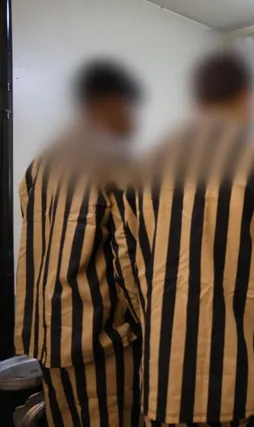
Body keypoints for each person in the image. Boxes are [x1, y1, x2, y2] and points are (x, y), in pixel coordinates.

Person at [119, 50, 254, 426]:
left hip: (167, 381)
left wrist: (162, 320)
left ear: (196, 100)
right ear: (248, 98)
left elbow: (127, 268)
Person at [14, 60, 143, 426]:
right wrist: (150, 325)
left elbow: (36, 241)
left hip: (46, 337)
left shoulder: (39, 166)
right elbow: (129, 260)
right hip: (99, 340)